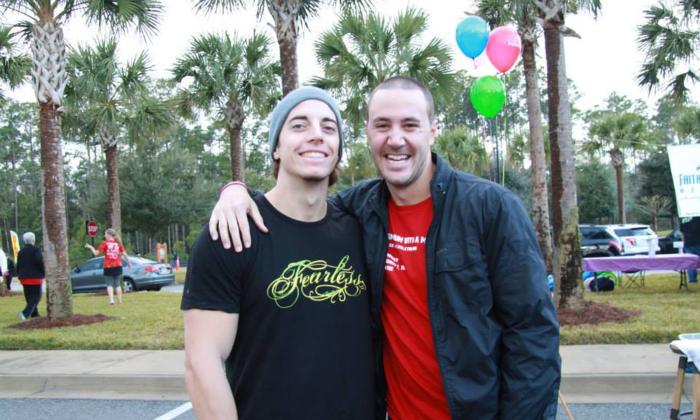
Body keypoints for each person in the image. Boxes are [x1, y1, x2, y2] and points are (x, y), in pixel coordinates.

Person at [210, 77, 561, 419]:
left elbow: (533, 334)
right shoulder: (362, 209)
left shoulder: (490, 208)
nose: (396, 139)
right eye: (382, 125)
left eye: (410, 125)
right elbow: (299, 203)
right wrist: (236, 190)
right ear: (368, 133)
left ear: (432, 130)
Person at [181, 86, 374, 419]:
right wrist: (233, 189)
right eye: (299, 125)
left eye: (328, 128)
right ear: (276, 149)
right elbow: (202, 364)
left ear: (338, 148)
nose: (316, 135)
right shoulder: (233, 233)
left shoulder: (362, 230)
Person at [85, 228, 131, 305]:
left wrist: (90, 247)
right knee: (117, 284)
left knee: (109, 284)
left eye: (105, 234)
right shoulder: (118, 244)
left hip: (108, 266)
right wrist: (129, 262)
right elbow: (124, 254)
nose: (104, 235)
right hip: (118, 266)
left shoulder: (105, 244)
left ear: (109, 235)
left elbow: (96, 253)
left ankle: (111, 300)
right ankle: (120, 301)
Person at [16, 232, 45, 320]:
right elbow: (39, 261)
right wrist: (43, 272)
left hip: (24, 277)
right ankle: (25, 313)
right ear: (34, 239)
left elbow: (18, 265)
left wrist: (19, 274)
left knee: (29, 296)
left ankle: (34, 314)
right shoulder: (36, 250)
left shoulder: (21, 252)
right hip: (35, 277)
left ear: (24, 241)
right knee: (36, 297)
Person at [681, 216, 700, 283]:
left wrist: (684, 242)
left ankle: (692, 279)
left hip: (688, 243)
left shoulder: (683, 218)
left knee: (690, 262)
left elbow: (682, 233)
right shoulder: (698, 216)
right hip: (698, 242)